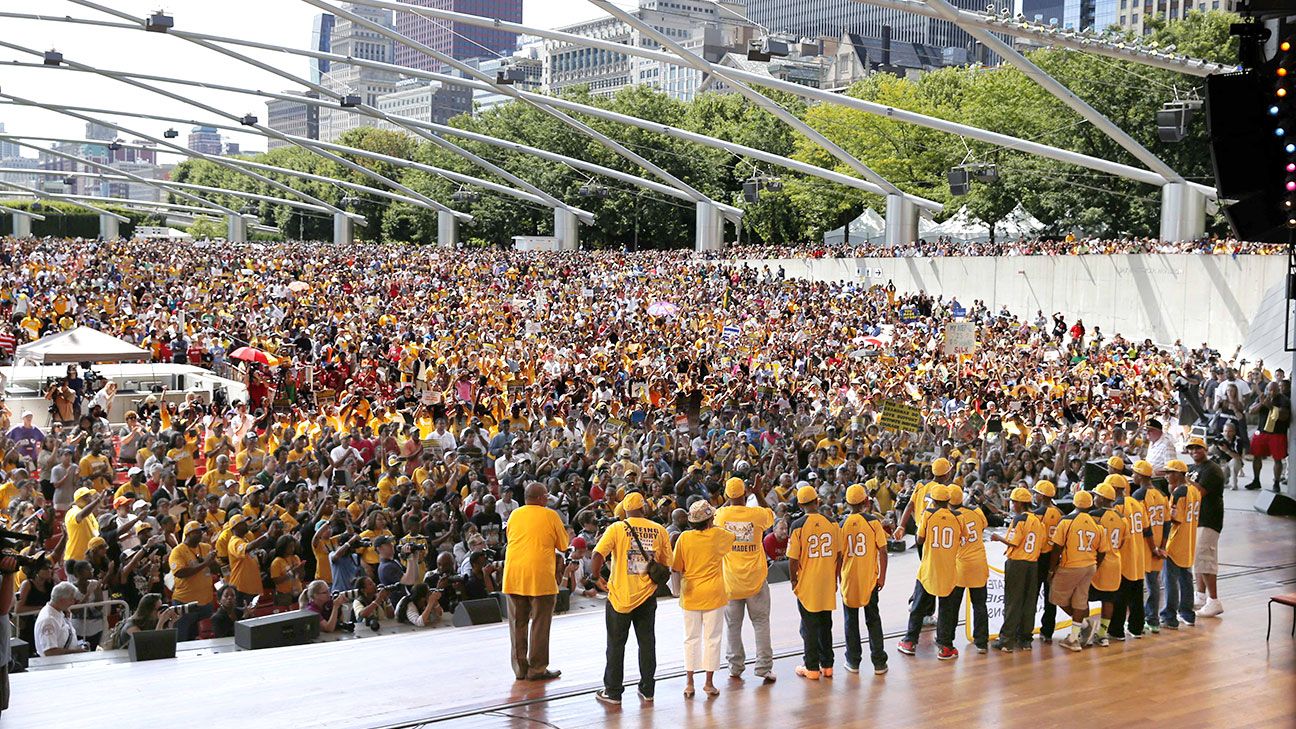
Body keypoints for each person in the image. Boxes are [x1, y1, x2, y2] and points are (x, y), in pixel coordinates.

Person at [591, 491, 672, 706]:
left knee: (616, 645)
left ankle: (613, 692)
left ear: (625, 511)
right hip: (647, 595)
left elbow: (598, 555)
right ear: (644, 508)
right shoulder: (659, 530)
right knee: (647, 643)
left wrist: (596, 576)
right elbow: (666, 564)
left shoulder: (617, 528)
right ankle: (648, 690)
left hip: (620, 597)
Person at [501, 482, 569, 682]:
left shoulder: (514, 514)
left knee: (517, 623)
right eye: (546, 496)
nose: (547, 499)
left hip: (514, 574)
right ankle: (537, 669)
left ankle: (520, 669)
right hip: (540, 576)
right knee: (540, 623)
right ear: (540, 498)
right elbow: (564, 545)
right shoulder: (550, 515)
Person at [713, 476, 777, 683]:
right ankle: (764, 668)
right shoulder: (757, 514)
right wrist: (757, 493)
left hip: (730, 581)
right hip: (756, 579)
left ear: (727, 495)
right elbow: (772, 515)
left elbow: (717, 513)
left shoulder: (721, 516)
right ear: (745, 493)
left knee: (733, 625)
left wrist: (730, 500)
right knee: (761, 623)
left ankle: (735, 667)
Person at [671, 499, 734, 698]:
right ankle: (708, 683)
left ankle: (689, 683)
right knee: (712, 639)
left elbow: (676, 567)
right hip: (714, 594)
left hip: (690, 594)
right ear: (709, 520)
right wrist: (713, 525)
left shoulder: (684, 538)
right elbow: (732, 538)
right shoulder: (718, 535)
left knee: (691, 639)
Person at [897, 483, 961, 660]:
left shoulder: (928, 515)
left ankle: (909, 642)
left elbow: (919, 539)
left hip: (929, 568)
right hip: (948, 569)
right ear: (948, 500)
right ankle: (945, 646)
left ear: (933, 500)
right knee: (946, 609)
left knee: (918, 606)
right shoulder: (957, 517)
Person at [787, 484, 841, 679]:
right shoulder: (833, 522)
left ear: (800, 505)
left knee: (809, 625)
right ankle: (827, 666)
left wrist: (794, 581)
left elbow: (793, 559)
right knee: (826, 623)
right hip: (827, 581)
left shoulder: (798, 525)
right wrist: (835, 577)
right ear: (817, 501)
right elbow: (839, 554)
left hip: (808, 582)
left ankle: (811, 668)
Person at [1048, 489, 1108, 652]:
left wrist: (1051, 570)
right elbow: (1103, 551)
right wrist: (1096, 565)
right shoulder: (1097, 525)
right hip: (1089, 566)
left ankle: (1084, 624)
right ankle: (1075, 636)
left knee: (1057, 598)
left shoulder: (1066, 521)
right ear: (1090, 505)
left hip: (1070, 566)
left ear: (1074, 502)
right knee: (1080, 600)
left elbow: (1057, 548)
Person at [838, 484, 889, 674]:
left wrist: (838, 579)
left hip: (849, 579)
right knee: (873, 619)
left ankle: (853, 661)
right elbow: (883, 551)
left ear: (847, 503)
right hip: (870, 579)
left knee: (850, 621)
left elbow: (839, 556)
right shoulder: (873, 522)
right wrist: (882, 576)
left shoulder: (841, 525)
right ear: (866, 502)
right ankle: (879, 662)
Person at [990, 487, 1045, 651]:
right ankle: (1026, 639)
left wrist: (998, 537)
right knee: (1029, 602)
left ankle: (1006, 640)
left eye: (1013, 502)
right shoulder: (1037, 520)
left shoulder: (1020, 519)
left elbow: (1014, 541)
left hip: (1017, 563)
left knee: (1013, 601)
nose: (1012, 505)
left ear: (1020, 503)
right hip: (1032, 564)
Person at [1159, 459, 1201, 629]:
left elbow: (1174, 519)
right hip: (1189, 538)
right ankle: (1187, 614)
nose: (1167, 476)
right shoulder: (1194, 490)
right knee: (1186, 578)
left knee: (1170, 580)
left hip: (1175, 541)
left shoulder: (1178, 493)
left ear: (1178, 474)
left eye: (1169, 472)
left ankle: (1170, 616)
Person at [1187, 436, 1226, 618]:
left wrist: (1184, 479)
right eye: (1191, 449)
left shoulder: (1213, 470)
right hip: (1197, 519)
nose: (1194, 452)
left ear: (1205, 450)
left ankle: (1214, 600)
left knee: (1206, 559)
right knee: (1198, 559)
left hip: (1209, 519)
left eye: (1198, 448)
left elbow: (1199, 492)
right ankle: (1201, 596)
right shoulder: (1195, 468)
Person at [1107, 473, 1147, 641]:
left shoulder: (1117, 506)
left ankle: (1116, 630)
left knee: (1120, 594)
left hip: (1123, 554)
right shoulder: (1137, 503)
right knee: (1137, 593)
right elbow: (1146, 528)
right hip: (1138, 553)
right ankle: (1137, 628)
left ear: (1115, 489)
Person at [949, 485, 989, 653]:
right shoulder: (977, 512)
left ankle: (947, 641)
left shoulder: (950, 517)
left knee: (952, 605)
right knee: (979, 605)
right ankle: (981, 642)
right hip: (978, 564)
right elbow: (984, 526)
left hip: (960, 566)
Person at [1131, 459, 1169, 633]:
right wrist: (1162, 545)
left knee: (1141, 584)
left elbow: (1144, 526)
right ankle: (1153, 620)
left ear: (1140, 475)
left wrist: (1153, 547)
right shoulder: (1161, 494)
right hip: (1158, 543)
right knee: (1154, 582)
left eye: (1134, 473)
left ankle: (1142, 619)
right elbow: (1167, 522)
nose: (1132, 476)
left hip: (1145, 544)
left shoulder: (1139, 495)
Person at [1086, 480, 1126, 647]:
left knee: (1083, 598)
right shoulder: (1122, 518)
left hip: (1098, 561)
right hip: (1115, 561)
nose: (1094, 498)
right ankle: (1102, 635)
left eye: (1096, 496)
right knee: (1108, 599)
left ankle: (1084, 630)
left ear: (1101, 499)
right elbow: (1123, 541)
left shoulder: (1094, 515)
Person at [168, 521, 217, 641]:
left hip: (206, 602)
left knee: (204, 640)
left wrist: (212, 562)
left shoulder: (206, 547)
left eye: (201, 531)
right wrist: (205, 563)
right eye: (198, 532)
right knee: (182, 640)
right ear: (189, 534)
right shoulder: (177, 551)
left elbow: (216, 569)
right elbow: (180, 573)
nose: (201, 534)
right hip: (185, 603)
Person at [1029, 479, 1063, 643]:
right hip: (1054, 558)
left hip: (1039, 557)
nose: (1034, 495)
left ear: (1042, 496)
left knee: (1032, 596)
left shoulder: (1037, 514)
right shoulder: (1059, 513)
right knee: (1050, 598)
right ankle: (1047, 631)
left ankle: (1027, 630)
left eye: (1036, 493)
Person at [1246, 381, 1289, 491]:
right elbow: (1251, 411)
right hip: (1262, 432)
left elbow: (1283, 416)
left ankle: (1276, 482)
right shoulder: (1263, 397)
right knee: (1256, 455)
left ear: (1278, 390)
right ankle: (1256, 480)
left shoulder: (1283, 400)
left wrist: (1270, 406)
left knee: (1277, 459)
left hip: (1277, 433)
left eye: (1274, 390)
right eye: (1269, 390)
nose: (1271, 392)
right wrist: (1261, 403)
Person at [35, 581, 87, 656]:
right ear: (62, 599)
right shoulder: (48, 620)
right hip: (56, 664)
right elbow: (50, 652)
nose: (73, 602)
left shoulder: (59, 611)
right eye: (71, 599)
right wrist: (76, 652)